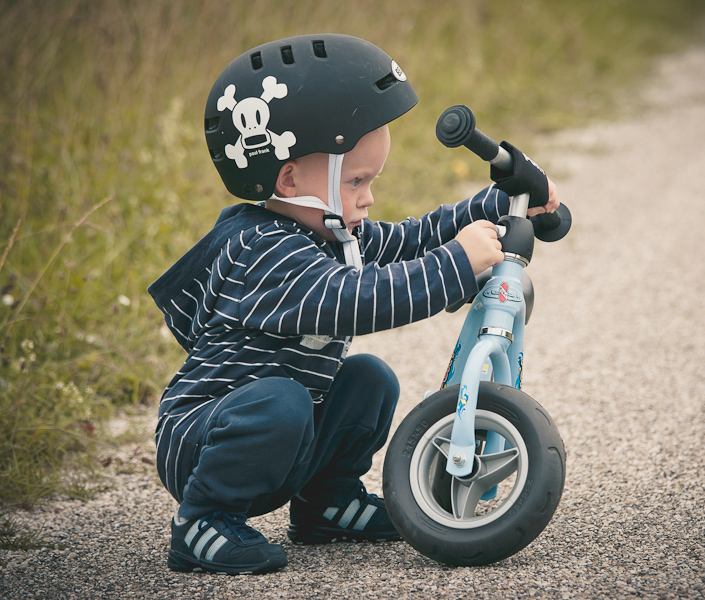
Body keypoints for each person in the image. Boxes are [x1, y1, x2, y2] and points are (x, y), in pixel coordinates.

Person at [148, 33, 559, 575]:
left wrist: (502, 201)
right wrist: (458, 263)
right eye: (357, 180)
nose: (368, 197)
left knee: (368, 378)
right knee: (282, 401)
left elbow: (412, 239)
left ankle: (325, 502)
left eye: (373, 180)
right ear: (289, 178)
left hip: (288, 433)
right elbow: (353, 300)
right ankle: (202, 519)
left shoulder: (333, 233)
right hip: (206, 438)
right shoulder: (261, 250)